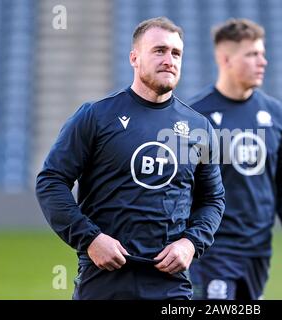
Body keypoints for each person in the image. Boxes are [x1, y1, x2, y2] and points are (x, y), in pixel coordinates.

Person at [35, 17, 225, 300]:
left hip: (170, 285)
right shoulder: (95, 116)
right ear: (134, 58)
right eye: (159, 50)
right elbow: (51, 181)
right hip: (103, 280)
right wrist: (91, 239)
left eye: (176, 53)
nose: (169, 59)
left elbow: (213, 199)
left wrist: (190, 243)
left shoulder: (199, 128)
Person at [188, 18, 282, 300]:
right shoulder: (195, 115)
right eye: (252, 54)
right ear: (225, 58)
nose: (262, 61)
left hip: (258, 250)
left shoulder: (275, 113)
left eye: (262, 53)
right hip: (211, 247)